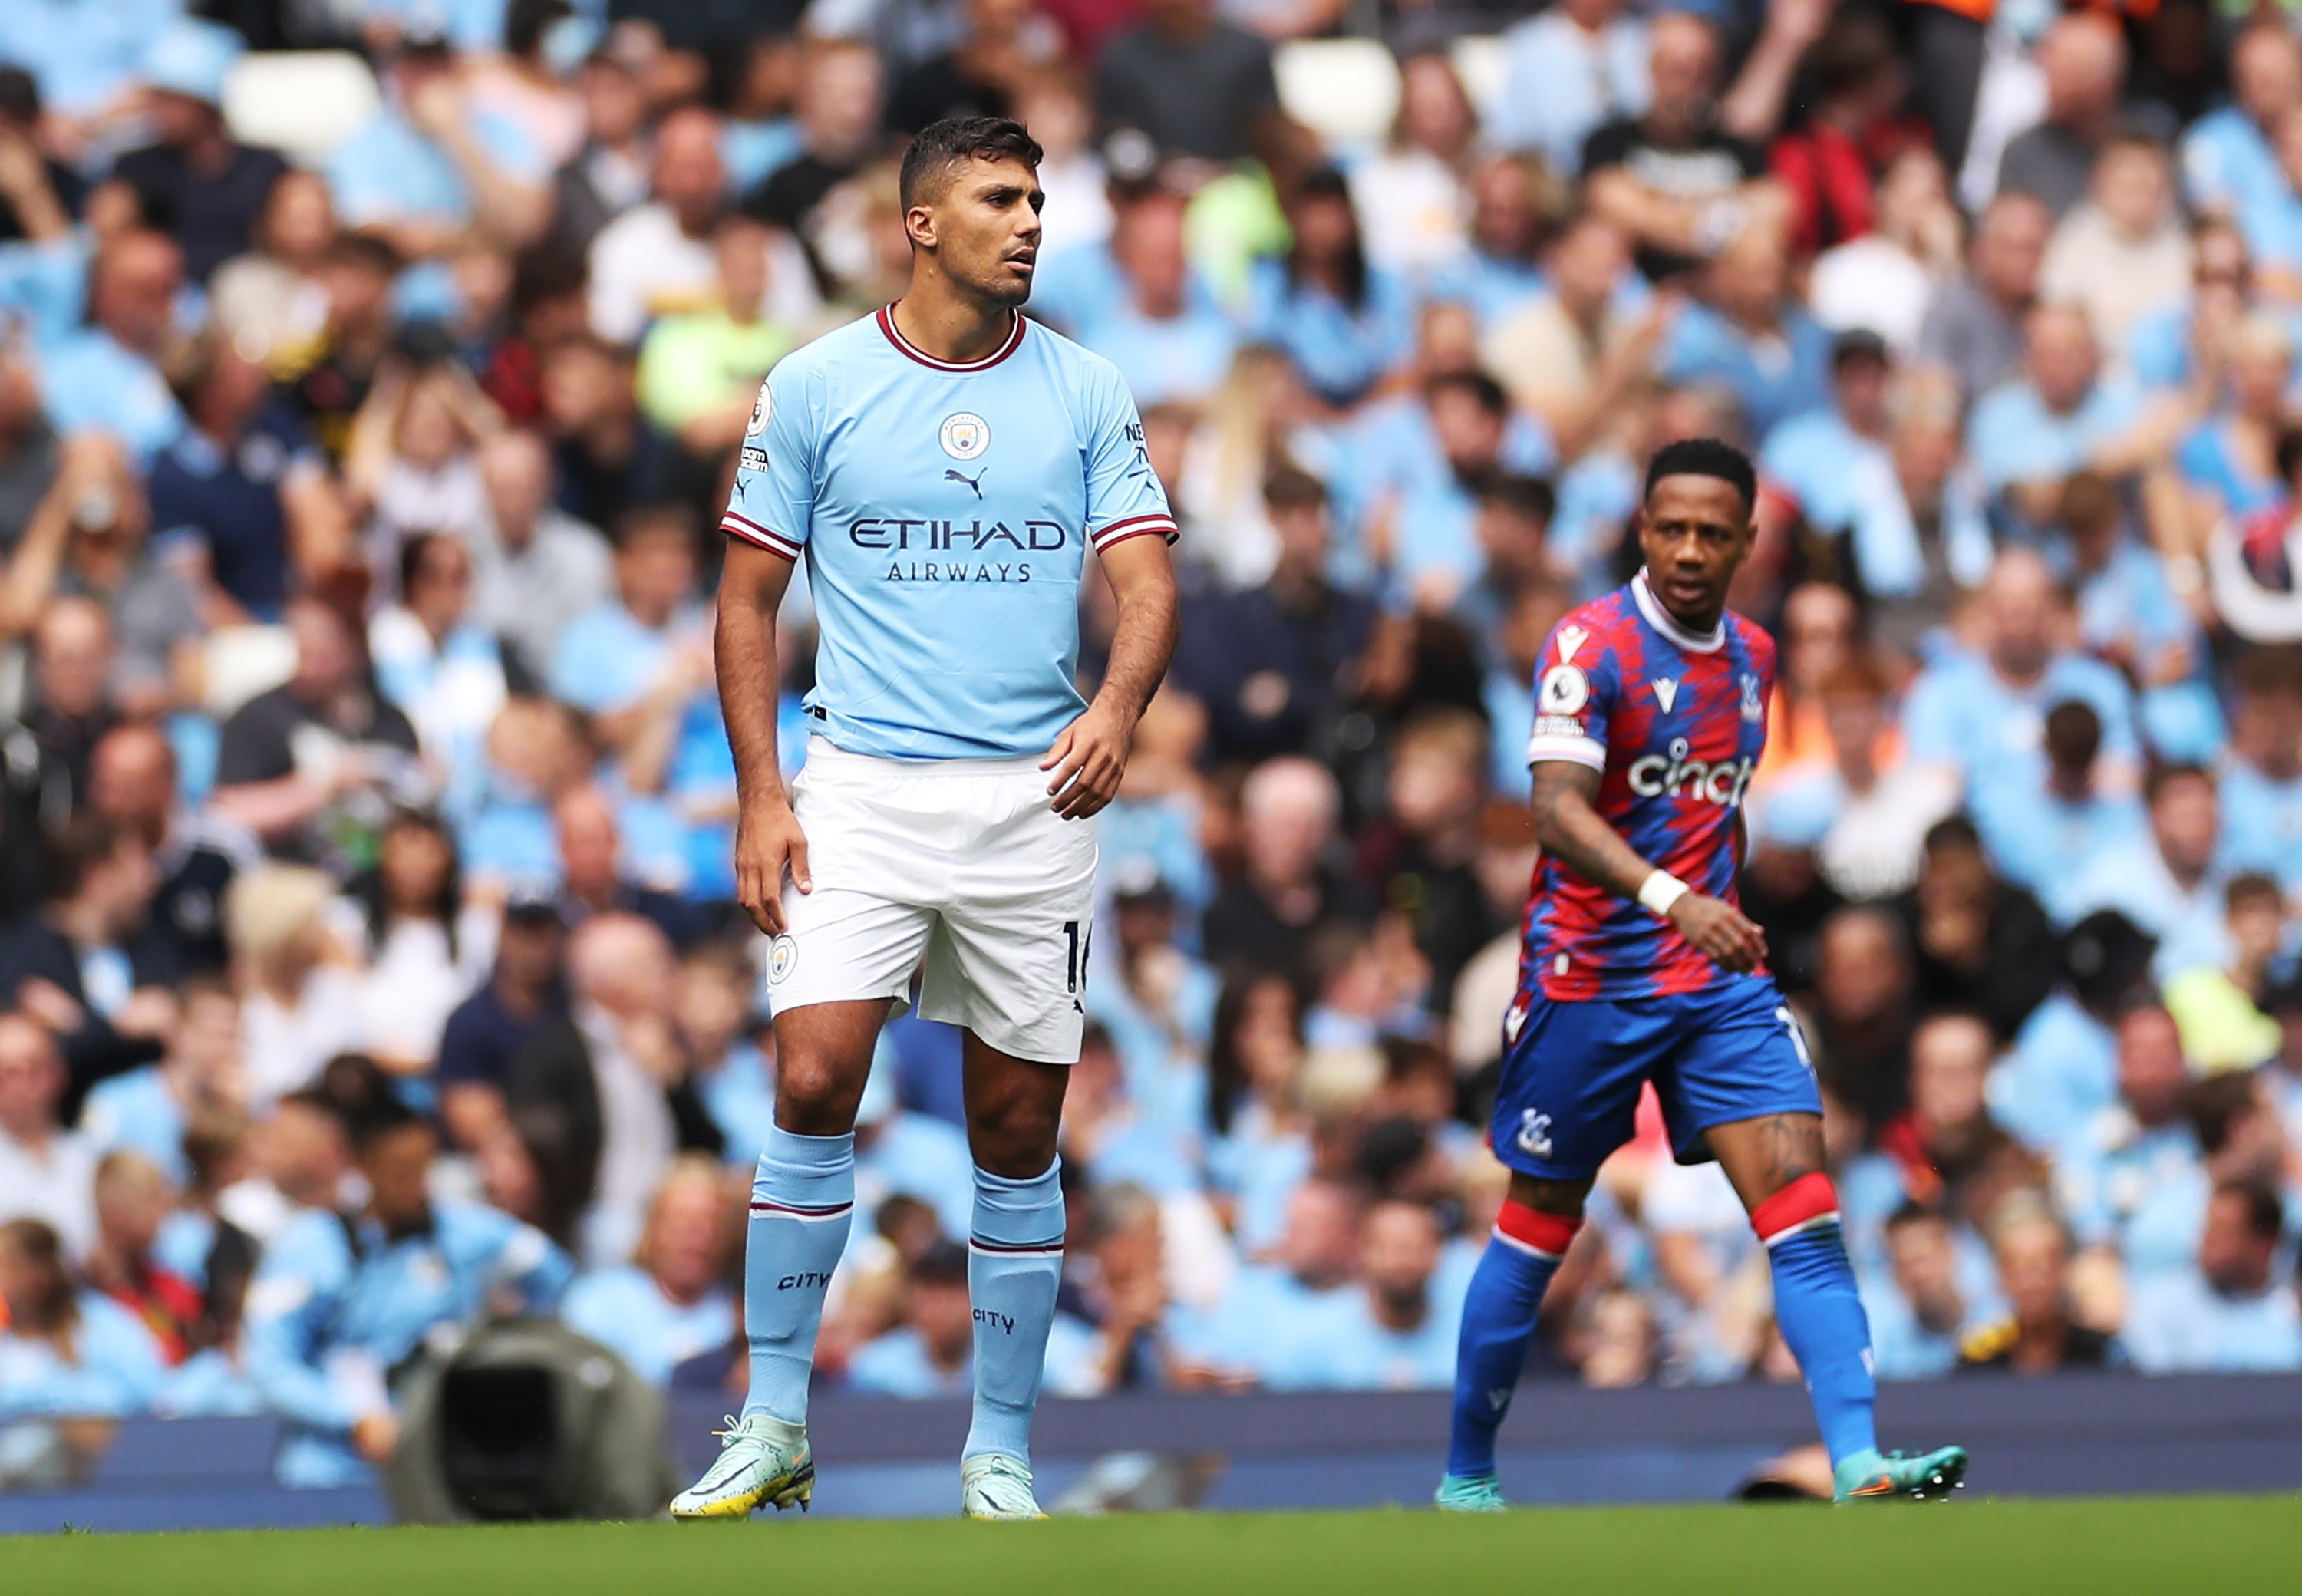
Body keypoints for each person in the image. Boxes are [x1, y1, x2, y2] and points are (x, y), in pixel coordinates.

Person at [674, 116, 1179, 1524]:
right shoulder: (819, 384)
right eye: (999, 200)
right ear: (921, 224)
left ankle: (999, 1453)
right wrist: (764, 794)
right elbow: (744, 602)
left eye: (1037, 199)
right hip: (864, 788)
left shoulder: (1085, 389)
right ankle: (774, 1420)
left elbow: (1143, 580)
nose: (1029, 222)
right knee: (815, 1079)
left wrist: (1119, 709)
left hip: (1034, 798)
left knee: (1016, 1134)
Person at [1436, 437, 1965, 1512]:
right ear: (1641, 528)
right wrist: (1677, 901)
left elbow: (1707, 813)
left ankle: (1858, 1462)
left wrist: (1710, 910)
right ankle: (1466, 1473)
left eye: (1711, 533)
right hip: (1586, 982)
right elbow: (1555, 812)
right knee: (1539, 1224)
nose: (1687, 550)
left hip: (1714, 987)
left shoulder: (1757, 658)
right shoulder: (1590, 646)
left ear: (1747, 544)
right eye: (1669, 527)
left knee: (1806, 1209)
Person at [242, 1096, 572, 1486]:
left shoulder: (462, 1231)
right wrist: (353, 1418)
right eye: (398, 1169)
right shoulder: (311, 1244)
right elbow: (270, 1364)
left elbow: (554, 1275)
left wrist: (504, 1340)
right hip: (334, 1468)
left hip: (441, 1464)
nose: (414, 1184)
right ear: (362, 1166)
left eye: (422, 1167)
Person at [560, 1156, 739, 1384]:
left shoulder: (737, 1318)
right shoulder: (599, 1302)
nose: (698, 1242)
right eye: (684, 1224)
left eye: (712, 1226)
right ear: (653, 1228)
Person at [2123, 1181, 2302, 1373]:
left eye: (2223, 1231)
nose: (2207, 1241)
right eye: (2208, 1228)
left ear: (2265, 1244)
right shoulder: (2159, 1307)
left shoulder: (2291, 1306)